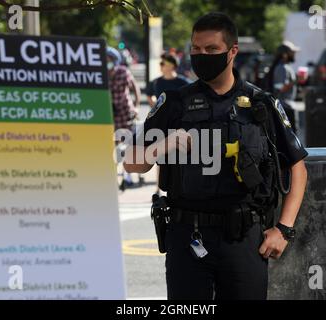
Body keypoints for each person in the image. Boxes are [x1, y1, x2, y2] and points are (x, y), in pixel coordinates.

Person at [124, 12, 308, 300]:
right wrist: (164, 145)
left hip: (244, 238)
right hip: (186, 236)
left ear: (232, 51)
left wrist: (284, 230)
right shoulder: (174, 104)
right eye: (196, 49)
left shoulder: (260, 105)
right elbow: (132, 161)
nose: (202, 55)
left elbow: (297, 167)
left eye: (211, 49)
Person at [146, 53, 190, 195]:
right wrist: (154, 105)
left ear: (171, 65)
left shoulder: (183, 82)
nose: (160, 67)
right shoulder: (157, 82)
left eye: (162, 64)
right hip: (161, 125)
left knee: (178, 156)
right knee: (161, 156)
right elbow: (149, 94)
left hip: (179, 125)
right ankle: (158, 187)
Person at [107, 47, 141, 190]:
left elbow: (135, 87)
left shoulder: (123, 72)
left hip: (126, 112)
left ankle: (128, 177)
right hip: (110, 114)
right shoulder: (100, 74)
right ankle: (113, 178)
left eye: (109, 60)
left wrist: (137, 105)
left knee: (128, 144)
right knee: (112, 146)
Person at [267, 41, 300, 132]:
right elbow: (280, 88)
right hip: (285, 108)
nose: (294, 54)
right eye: (292, 52)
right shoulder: (281, 68)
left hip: (286, 107)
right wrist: (297, 80)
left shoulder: (285, 66)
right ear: (285, 54)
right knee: (291, 139)